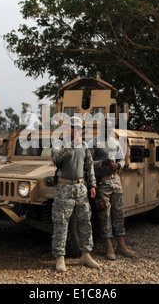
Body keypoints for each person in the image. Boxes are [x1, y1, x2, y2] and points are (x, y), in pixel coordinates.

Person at [51, 116, 100, 272]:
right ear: (67, 128)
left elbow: (89, 166)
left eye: (79, 128)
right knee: (61, 223)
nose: (76, 131)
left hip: (80, 188)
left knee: (85, 221)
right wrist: (72, 145)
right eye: (74, 128)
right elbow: (56, 159)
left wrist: (92, 184)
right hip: (64, 188)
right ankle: (60, 257)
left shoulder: (84, 146)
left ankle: (85, 254)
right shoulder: (59, 144)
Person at [89, 120, 135, 260]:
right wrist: (102, 163)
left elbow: (122, 160)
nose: (107, 129)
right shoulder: (93, 143)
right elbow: (88, 164)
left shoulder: (115, 143)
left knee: (119, 213)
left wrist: (117, 165)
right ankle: (109, 247)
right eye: (105, 127)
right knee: (105, 215)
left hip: (115, 180)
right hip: (102, 183)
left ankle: (121, 245)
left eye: (110, 127)